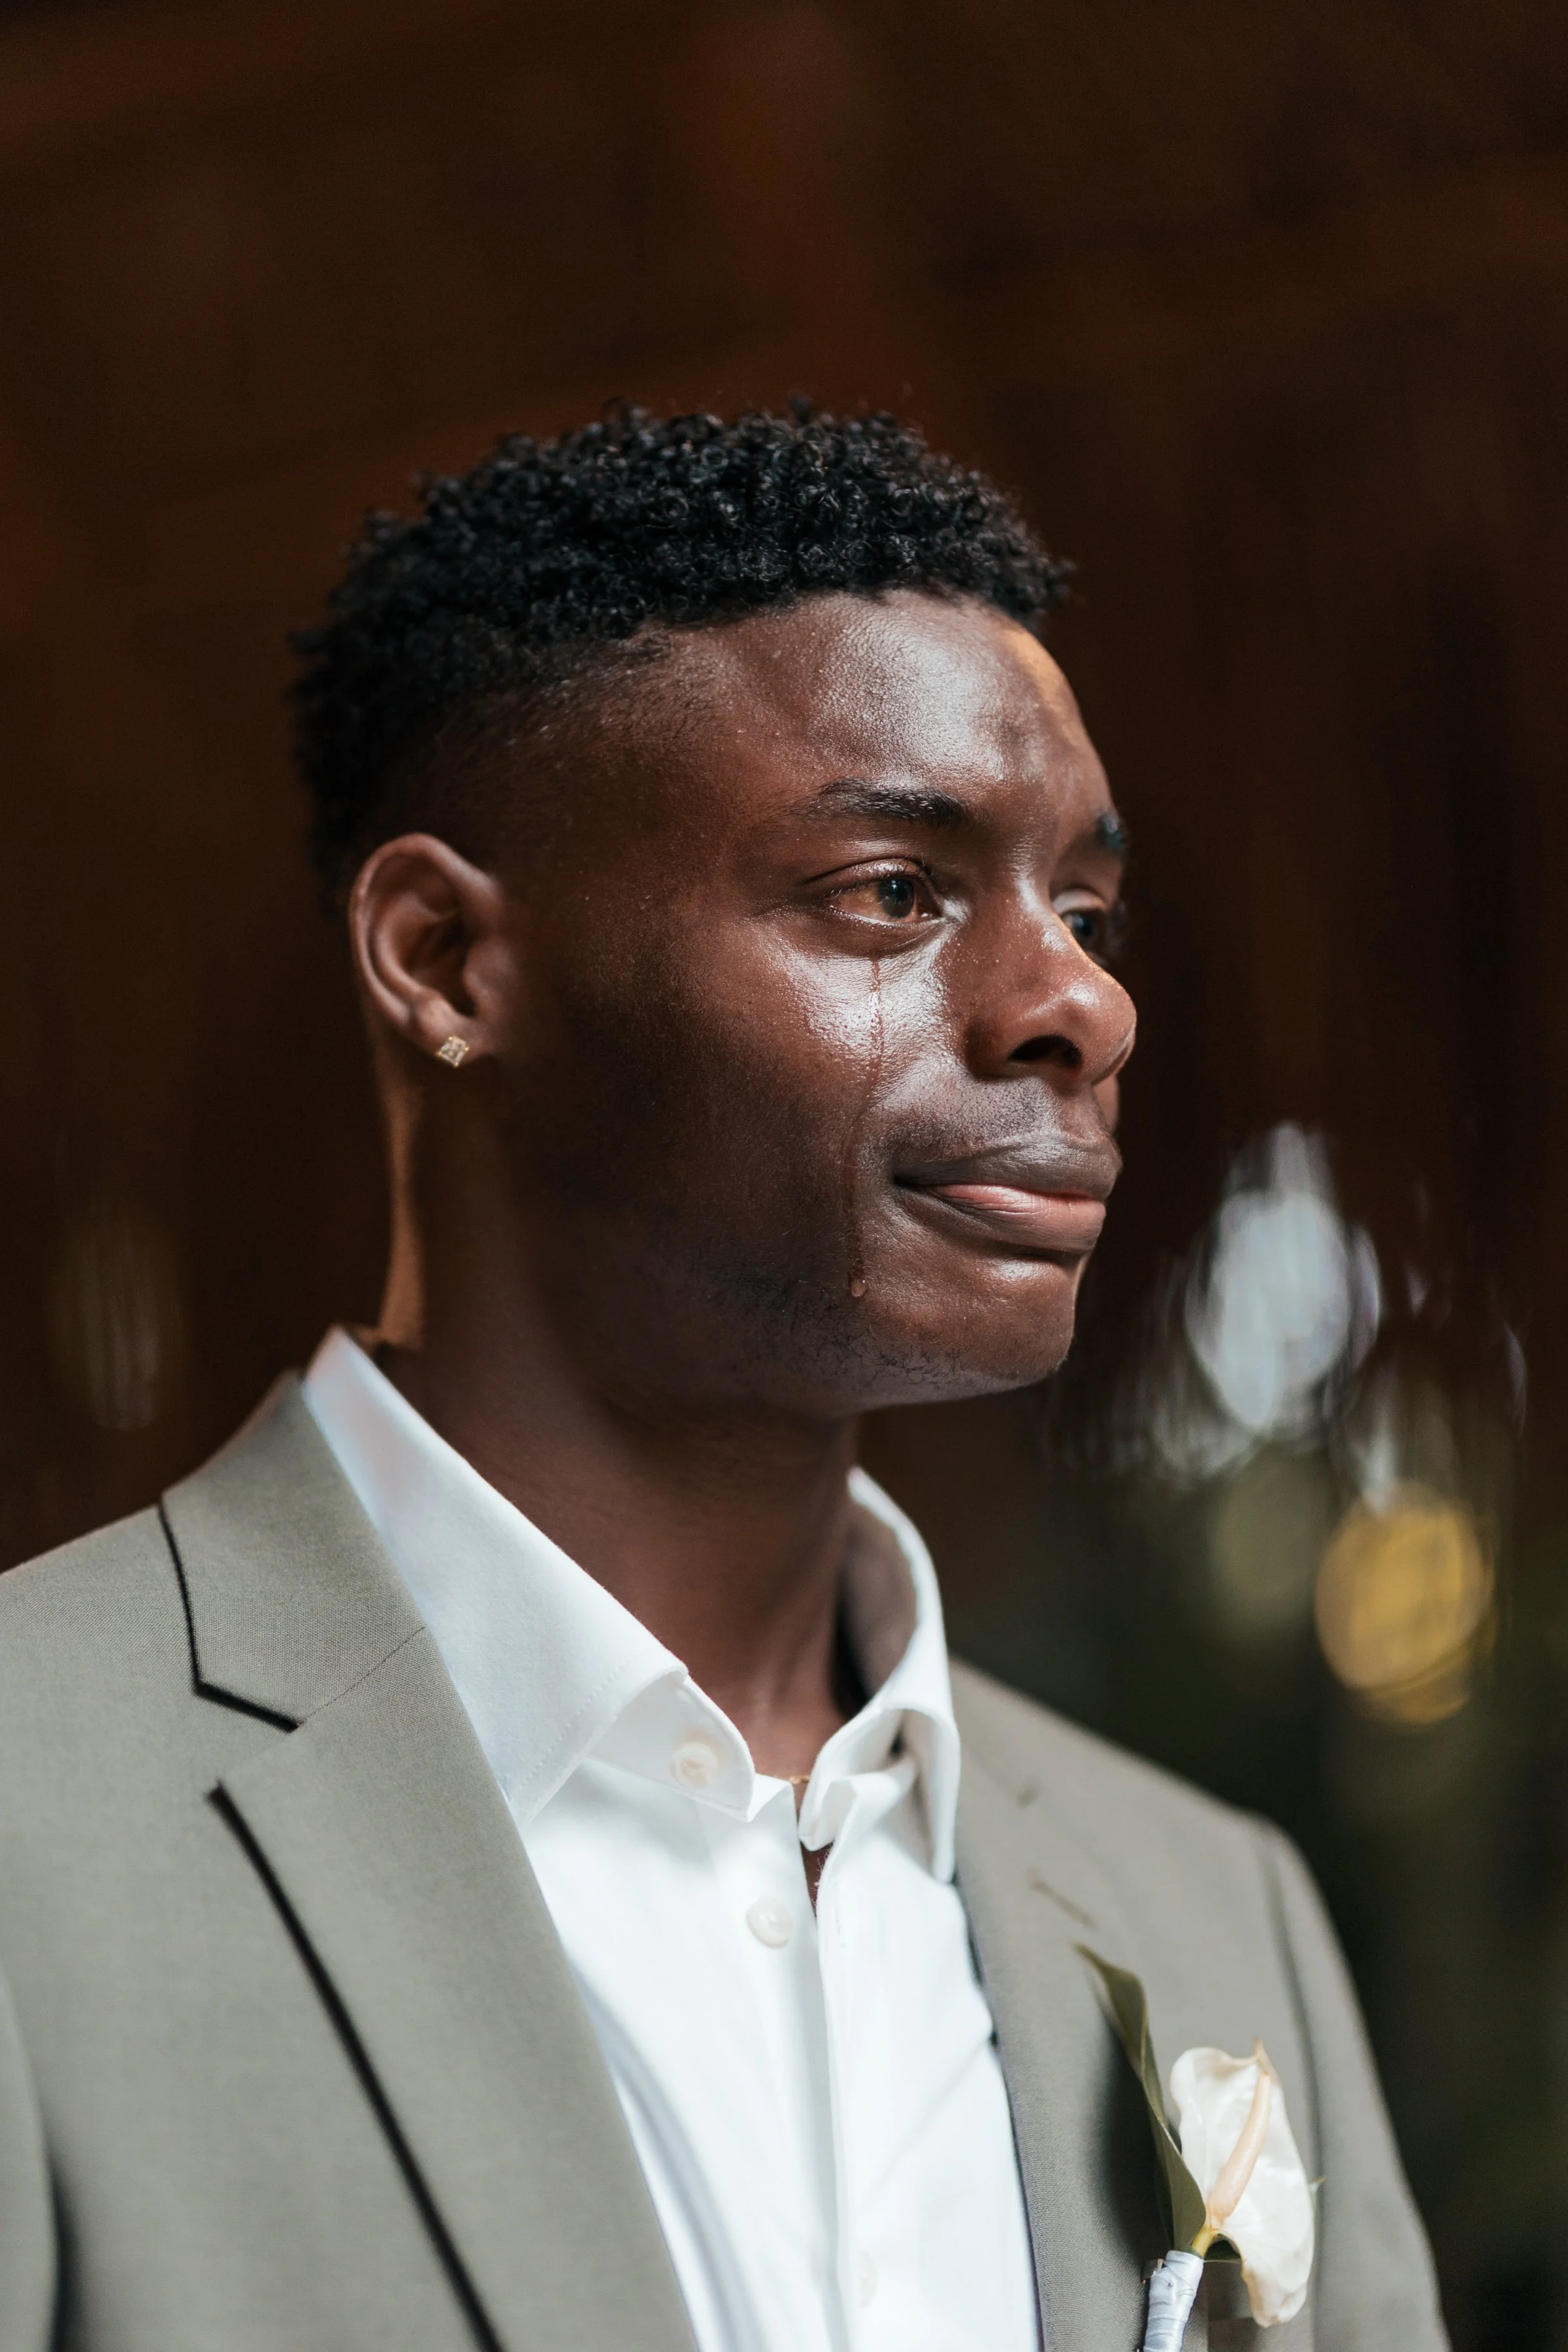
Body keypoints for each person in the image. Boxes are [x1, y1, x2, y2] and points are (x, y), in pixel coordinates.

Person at [0, 406, 1445, 2352]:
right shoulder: (39, 1805)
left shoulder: (1211, 1907)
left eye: (1087, 915)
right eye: (890, 892)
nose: (1079, 1006)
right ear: (444, 959)